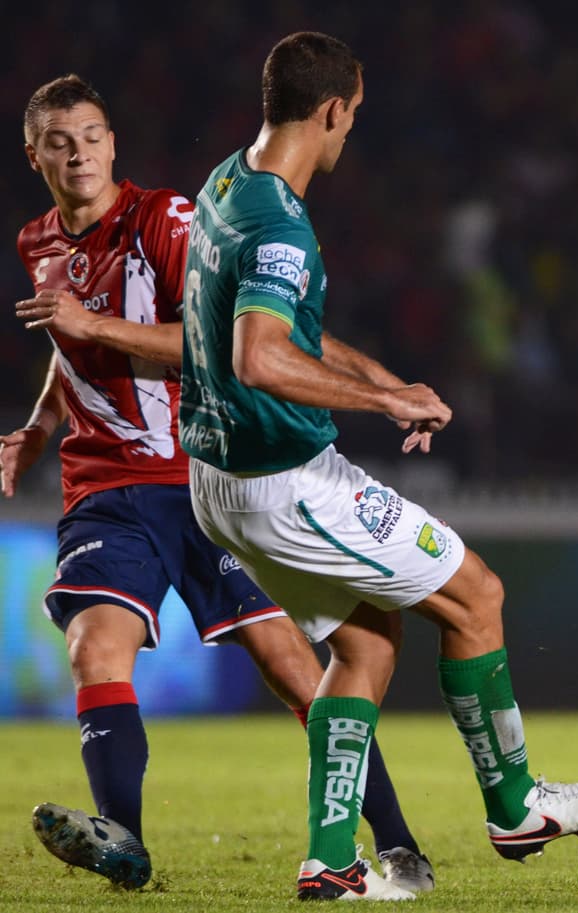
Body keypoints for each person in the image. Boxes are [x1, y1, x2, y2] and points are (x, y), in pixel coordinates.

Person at [177, 32, 578, 902]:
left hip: (219, 485)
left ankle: (332, 861)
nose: (351, 131)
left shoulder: (227, 183)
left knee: (367, 643)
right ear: (331, 110)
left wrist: (388, 383)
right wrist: (379, 405)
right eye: (353, 115)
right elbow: (260, 356)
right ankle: (516, 806)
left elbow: (292, 334)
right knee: (478, 595)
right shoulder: (279, 222)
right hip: (287, 483)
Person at [4, 74, 434, 895]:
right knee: (94, 647)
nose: (79, 153)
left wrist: (93, 324)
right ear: (35, 156)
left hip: (200, 475)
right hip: (103, 490)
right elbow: (70, 351)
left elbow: (213, 339)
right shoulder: (37, 244)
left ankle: (397, 838)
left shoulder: (166, 221)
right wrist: (36, 428)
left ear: (113, 143)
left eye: (91, 136)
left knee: (291, 664)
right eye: (60, 142)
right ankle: (124, 841)